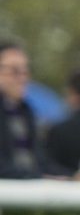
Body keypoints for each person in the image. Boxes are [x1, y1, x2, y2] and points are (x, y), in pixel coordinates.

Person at [1, 38, 44, 179]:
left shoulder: (27, 112)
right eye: (15, 71)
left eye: (25, 70)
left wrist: (74, 176)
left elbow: (41, 162)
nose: (22, 78)